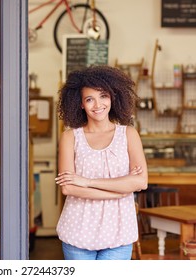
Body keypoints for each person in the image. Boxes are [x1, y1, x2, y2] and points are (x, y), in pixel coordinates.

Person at [55, 65, 148, 260]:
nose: (98, 105)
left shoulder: (129, 134)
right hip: (77, 231)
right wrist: (120, 190)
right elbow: (69, 189)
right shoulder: (70, 137)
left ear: (113, 98)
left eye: (103, 96)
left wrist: (87, 181)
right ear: (80, 104)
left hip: (119, 232)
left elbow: (141, 182)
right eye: (89, 99)